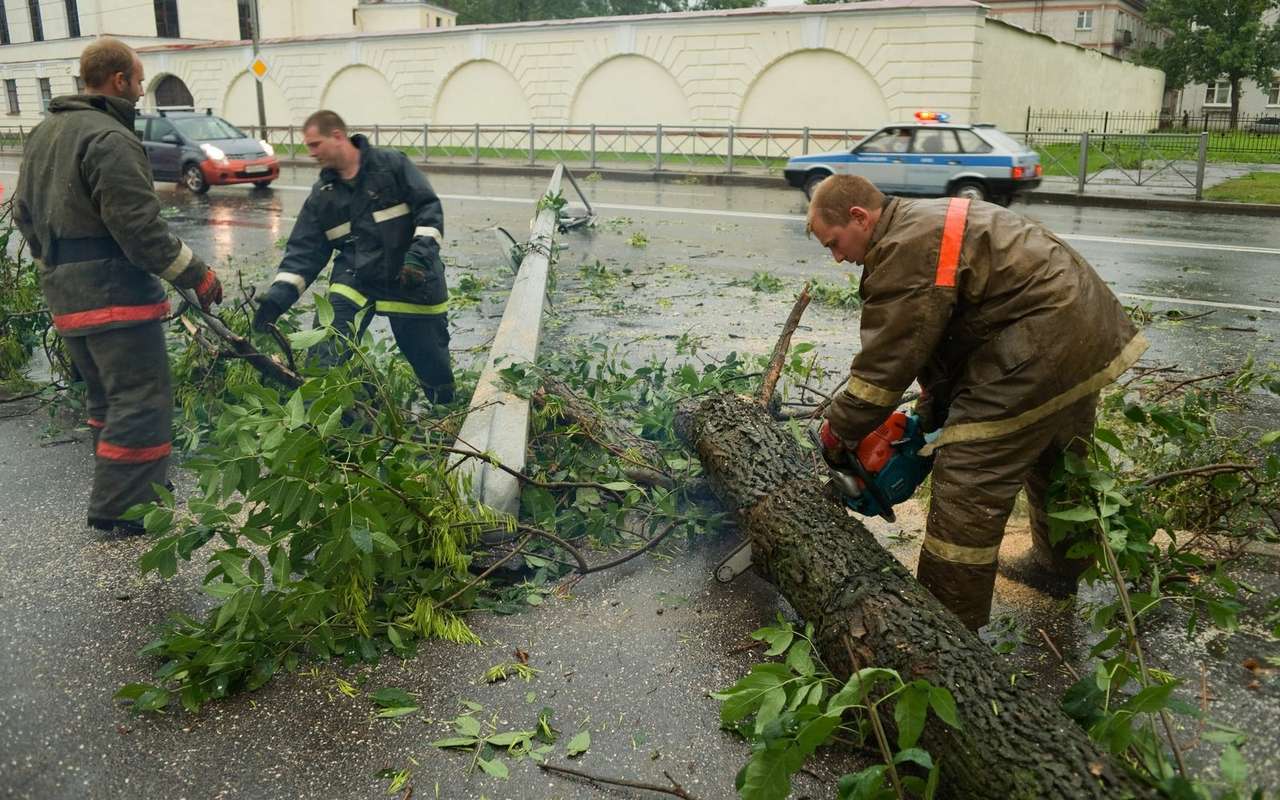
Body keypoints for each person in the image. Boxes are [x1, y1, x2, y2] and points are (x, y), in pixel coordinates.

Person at [809, 175, 1147, 630]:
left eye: (834, 243)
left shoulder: (903, 249)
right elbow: (944, 341)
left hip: (1038, 343)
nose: (837, 257)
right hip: (1083, 331)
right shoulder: (921, 221)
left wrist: (839, 431)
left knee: (969, 476)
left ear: (859, 217)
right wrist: (929, 418)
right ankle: (1057, 570)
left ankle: (949, 627)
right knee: (1056, 459)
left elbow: (885, 367)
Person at [13, 37, 223, 536]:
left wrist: (57, 266)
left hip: (66, 298)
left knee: (107, 400)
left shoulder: (45, 132)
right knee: (141, 399)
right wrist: (196, 273)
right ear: (119, 80)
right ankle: (126, 507)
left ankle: (135, 490)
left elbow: (23, 214)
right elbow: (140, 230)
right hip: (116, 298)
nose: (142, 90)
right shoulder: (109, 137)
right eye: (139, 80)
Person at [252, 110, 454, 404]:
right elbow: (303, 252)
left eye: (315, 144)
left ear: (337, 136)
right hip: (357, 278)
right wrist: (277, 299)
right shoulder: (324, 195)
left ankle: (445, 412)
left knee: (431, 363)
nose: (311, 153)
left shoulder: (391, 166)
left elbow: (429, 212)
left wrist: (417, 258)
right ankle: (316, 415)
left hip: (411, 275)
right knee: (326, 351)